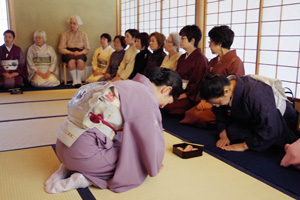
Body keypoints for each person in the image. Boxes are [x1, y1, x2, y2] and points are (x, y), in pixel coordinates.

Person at [44, 67, 182, 193]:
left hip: (62, 145)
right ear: (166, 90)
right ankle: (84, 178)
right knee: (132, 165)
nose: (162, 106)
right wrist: (154, 165)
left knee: (123, 145)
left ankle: (66, 167)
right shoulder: (146, 97)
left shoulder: (123, 84)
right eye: (166, 102)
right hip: (83, 157)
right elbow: (151, 141)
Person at [199, 73, 299, 152]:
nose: (217, 106)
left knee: (264, 138)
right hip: (253, 119)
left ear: (225, 91)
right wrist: (223, 134)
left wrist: (243, 146)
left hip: (279, 121)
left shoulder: (255, 93)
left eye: (217, 102)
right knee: (231, 133)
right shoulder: (225, 86)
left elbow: (270, 125)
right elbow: (220, 113)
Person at [180, 25, 245, 129]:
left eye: (210, 41)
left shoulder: (235, 62)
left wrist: (212, 103)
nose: (209, 45)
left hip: (223, 103)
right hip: (209, 99)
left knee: (198, 116)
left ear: (219, 43)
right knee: (189, 113)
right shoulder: (214, 61)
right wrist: (203, 99)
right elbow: (205, 82)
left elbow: (234, 90)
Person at [163, 25, 209, 116]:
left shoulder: (201, 59)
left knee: (168, 106)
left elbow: (197, 84)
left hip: (191, 96)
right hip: (179, 90)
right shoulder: (182, 57)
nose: (180, 41)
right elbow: (177, 77)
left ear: (192, 41)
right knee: (161, 101)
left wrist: (180, 96)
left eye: (182, 38)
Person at [58, 15, 90, 87]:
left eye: (74, 23)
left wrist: (80, 52)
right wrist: (71, 52)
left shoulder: (83, 34)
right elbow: (61, 48)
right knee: (71, 61)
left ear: (78, 25)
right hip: (68, 53)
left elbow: (87, 49)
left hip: (80, 52)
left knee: (80, 61)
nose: (72, 25)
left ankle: (78, 80)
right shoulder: (64, 34)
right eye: (71, 23)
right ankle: (74, 80)